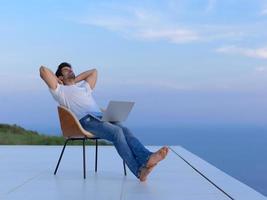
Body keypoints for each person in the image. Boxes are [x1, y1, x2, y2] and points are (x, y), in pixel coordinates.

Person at [39, 62, 169, 181]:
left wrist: (73, 78)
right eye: (67, 70)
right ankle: (140, 168)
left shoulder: (84, 88)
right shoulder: (59, 91)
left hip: (102, 117)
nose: (71, 71)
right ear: (60, 77)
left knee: (125, 130)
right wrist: (59, 81)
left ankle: (145, 161)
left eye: (71, 69)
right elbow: (43, 70)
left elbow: (94, 72)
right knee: (117, 132)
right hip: (86, 121)